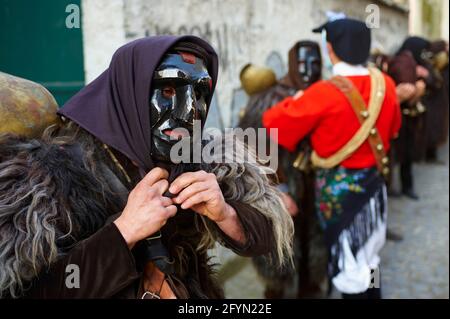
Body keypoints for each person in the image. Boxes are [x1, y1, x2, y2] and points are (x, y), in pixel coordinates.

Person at [0, 35, 294, 299]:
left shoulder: (204, 158)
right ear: (130, 92)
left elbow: (265, 238)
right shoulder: (45, 181)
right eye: (168, 90)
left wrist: (226, 213)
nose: (189, 112)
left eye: (200, 94)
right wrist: (122, 233)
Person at [263, 18, 402, 299]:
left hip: (340, 200)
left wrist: (297, 99)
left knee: (351, 272)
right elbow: (395, 129)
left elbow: (272, 123)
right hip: (375, 191)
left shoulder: (323, 92)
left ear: (330, 49)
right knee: (370, 260)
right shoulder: (386, 84)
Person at [238, 41, 328, 299]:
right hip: (283, 186)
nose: (309, 71)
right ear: (291, 65)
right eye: (302, 64)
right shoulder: (270, 99)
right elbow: (251, 147)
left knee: (313, 251)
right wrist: (277, 189)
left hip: (316, 186)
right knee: (278, 254)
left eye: (315, 64)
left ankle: (310, 287)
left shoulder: (325, 93)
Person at [388, 37, 431, 200]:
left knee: (405, 154)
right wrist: (415, 90)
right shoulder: (402, 62)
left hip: (407, 117)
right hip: (399, 115)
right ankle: (395, 187)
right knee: (396, 153)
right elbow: (404, 90)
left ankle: (404, 186)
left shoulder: (412, 61)